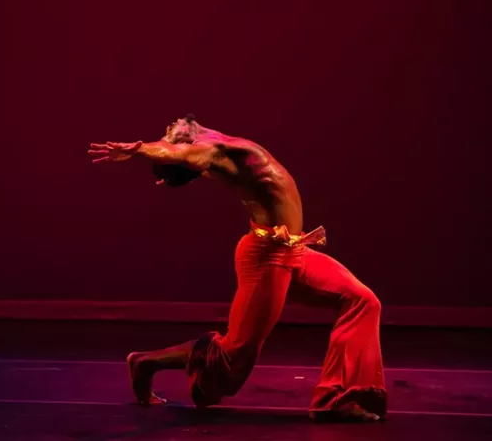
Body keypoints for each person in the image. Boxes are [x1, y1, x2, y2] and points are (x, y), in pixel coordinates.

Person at [88, 116, 387, 422]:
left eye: (167, 131)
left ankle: (338, 400)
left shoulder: (216, 142)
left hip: (294, 250)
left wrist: (170, 161)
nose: (169, 127)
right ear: (184, 143)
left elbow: (182, 159)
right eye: (167, 134)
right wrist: (141, 151)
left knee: (362, 301)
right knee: (234, 354)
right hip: (266, 258)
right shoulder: (209, 150)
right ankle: (145, 363)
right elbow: (176, 154)